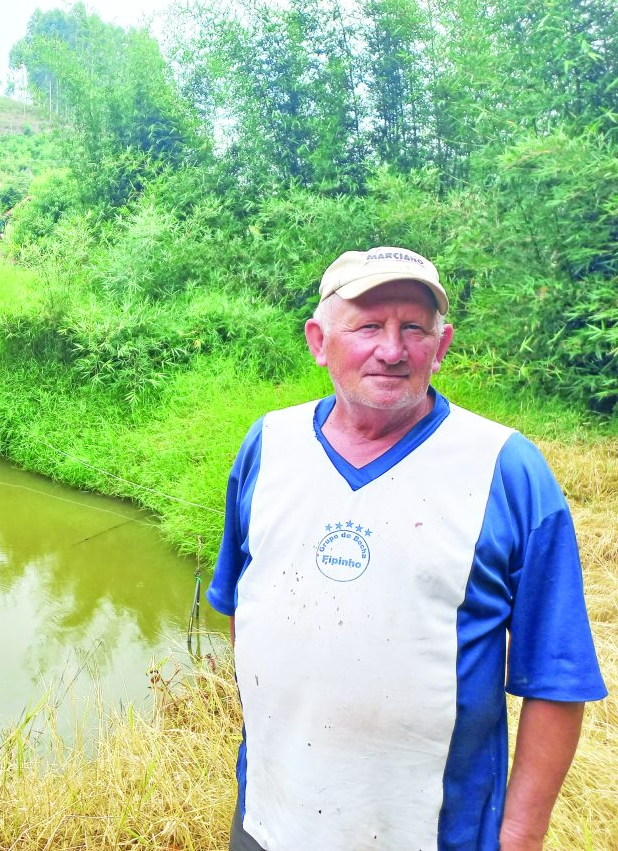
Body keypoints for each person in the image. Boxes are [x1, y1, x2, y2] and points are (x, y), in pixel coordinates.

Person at [207, 248, 606, 851]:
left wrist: (521, 836)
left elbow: (555, 677)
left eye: (413, 328)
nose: (392, 350)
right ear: (319, 341)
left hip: (432, 833)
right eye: (368, 325)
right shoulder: (269, 443)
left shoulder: (505, 467)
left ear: (440, 346)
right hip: (269, 819)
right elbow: (243, 606)